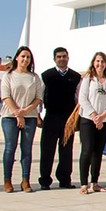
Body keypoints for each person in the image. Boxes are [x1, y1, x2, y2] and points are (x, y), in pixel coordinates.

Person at [0, 46, 43, 193]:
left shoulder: (34, 77)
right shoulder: (8, 76)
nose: (25, 59)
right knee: (10, 147)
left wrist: (24, 111)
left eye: (28, 57)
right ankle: (7, 180)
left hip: (30, 116)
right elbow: (6, 96)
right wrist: (18, 114)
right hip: (10, 116)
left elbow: (38, 98)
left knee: (26, 149)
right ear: (17, 57)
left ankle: (25, 180)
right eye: (23, 56)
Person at [38, 47, 81, 190]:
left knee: (66, 151)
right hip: (51, 117)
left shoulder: (75, 77)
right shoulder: (47, 76)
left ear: (68, 58)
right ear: (54, 59)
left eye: (64, 56)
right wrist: (38, 115)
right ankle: (45, 180)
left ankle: (65, 179)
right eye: (59, 57)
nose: (62, 59)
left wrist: (76, 119)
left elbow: (77, 99)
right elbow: (40, 96)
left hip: (68, 119)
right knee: (47, 150)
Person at [77, 52, 106, 195]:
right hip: (88, 120)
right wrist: (94, 116)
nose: (100, 64)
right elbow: (82, 99)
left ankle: (94, 182)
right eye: (98, 61)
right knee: (87, 150)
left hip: (104, 120)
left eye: (102, 61)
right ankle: (84, 183)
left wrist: (103, 116)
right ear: (94, 63)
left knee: (98, 152)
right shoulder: (88, 78)